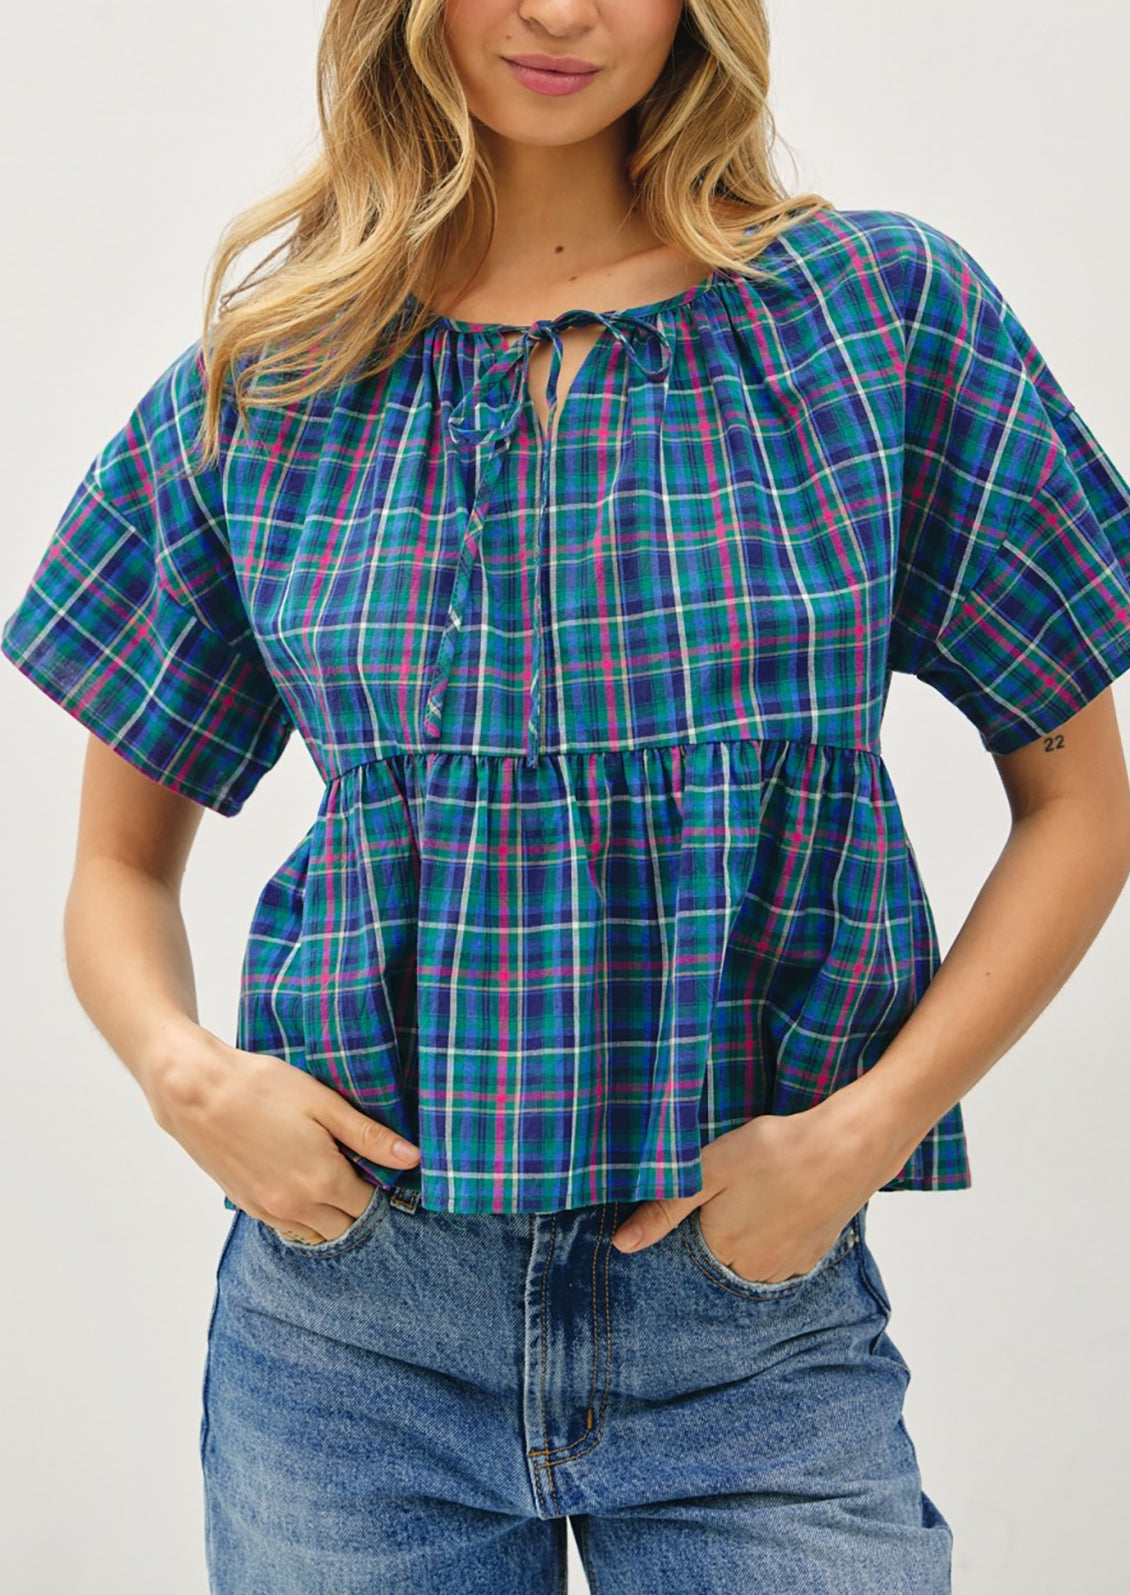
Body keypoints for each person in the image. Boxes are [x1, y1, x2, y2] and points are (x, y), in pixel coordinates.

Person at [4, 0, 1130, 1590]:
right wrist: (186, 1078)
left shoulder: (874, 320)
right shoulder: (276, 376)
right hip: (351, 1337)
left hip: (751, 1330)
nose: (558, 11)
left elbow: (1082, 804)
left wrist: (861, 1136)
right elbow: (118, 864)